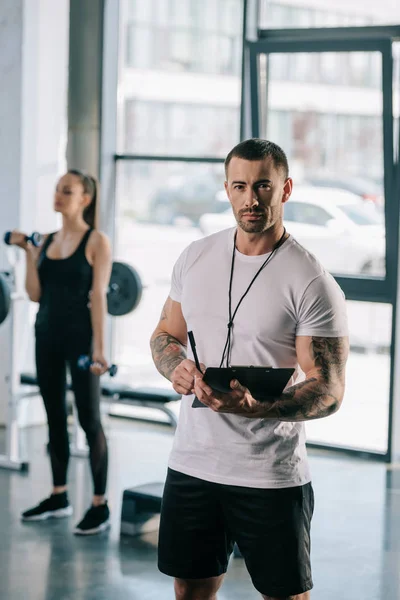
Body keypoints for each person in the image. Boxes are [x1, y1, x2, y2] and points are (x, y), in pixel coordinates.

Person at [150, 138, 349, 600]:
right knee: (190, 588)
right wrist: (175, 367)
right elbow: (165, 334)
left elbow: (330, 390)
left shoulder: (312, 280)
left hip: (269, 474)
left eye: (263, 185)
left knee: (285, 595)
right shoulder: (195, 256)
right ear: (226, 189)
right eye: (240, 186)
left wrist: (256, 407)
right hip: (193, 463)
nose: (251, 198)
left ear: (286, 189)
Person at [10, 169, 112, 535]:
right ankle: (59, 495)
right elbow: (35, 294)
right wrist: (28, 253)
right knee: (54, 416)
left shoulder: (96, 241)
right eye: (57, 189)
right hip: (46, 336)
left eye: (66, 191)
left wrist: (100, 347)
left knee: (89, 418)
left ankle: (99, 505)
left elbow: (99, 296)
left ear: (84, 198)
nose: (58, 195)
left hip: (81, 340)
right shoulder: (48, 240)